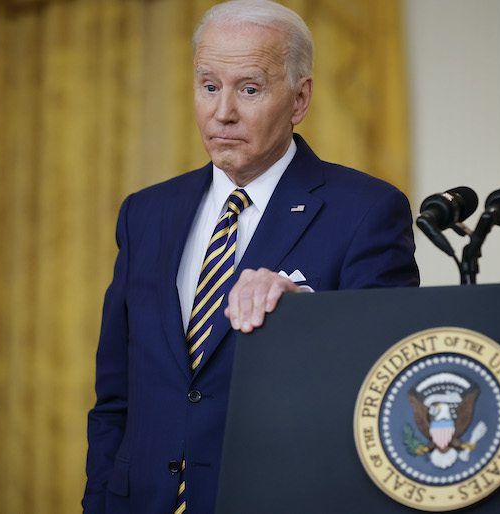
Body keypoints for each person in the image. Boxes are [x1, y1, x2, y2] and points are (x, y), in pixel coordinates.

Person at [82, 1, 419, 512]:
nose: (223, 112)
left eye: (250, 88)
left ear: (299, 99)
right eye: (209, 86)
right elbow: (115, 402)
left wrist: (303, 317)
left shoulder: (368, 212)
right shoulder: (144, 214)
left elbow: (382, 394)